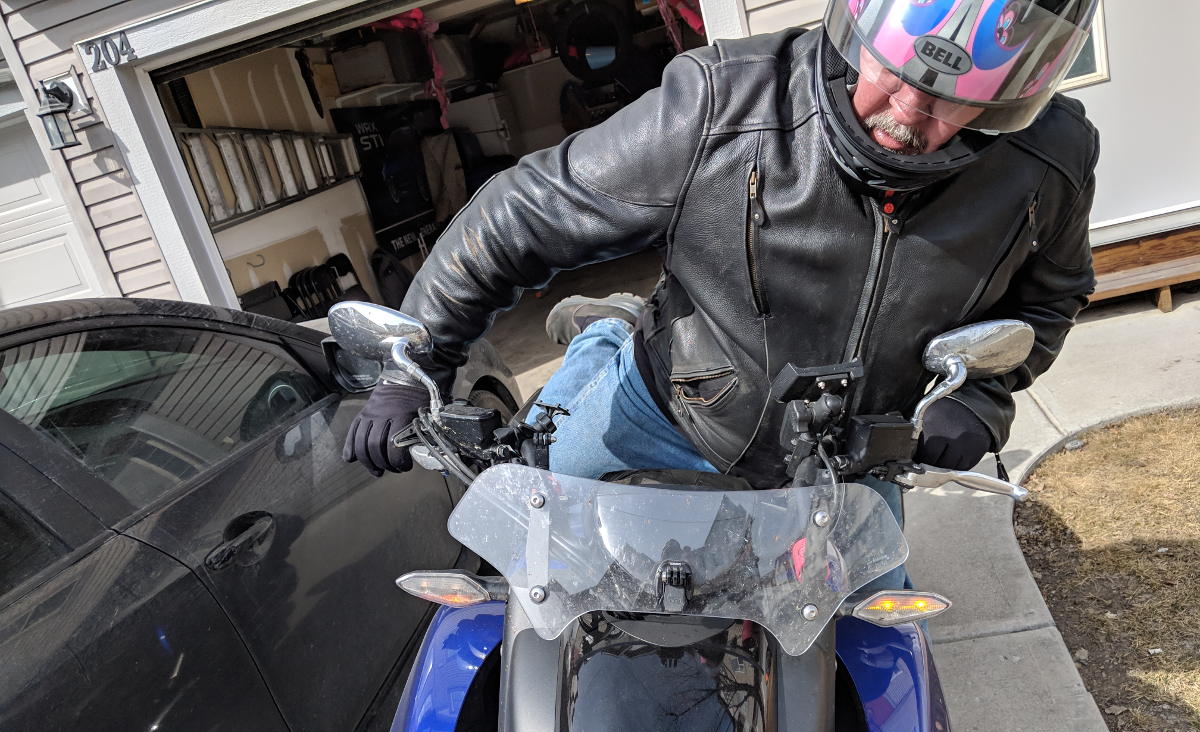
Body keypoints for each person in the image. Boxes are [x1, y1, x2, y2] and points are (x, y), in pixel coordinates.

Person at [343, 0, 1101, 501]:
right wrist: (414, 368)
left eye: (952, 97)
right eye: (892, 75)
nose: (907, 113)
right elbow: (522, 213)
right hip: (667, 407)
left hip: (848, 464)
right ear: (860, 31)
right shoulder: (723, 104)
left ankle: (605, 326)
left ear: (1013, 91)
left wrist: (978, 399)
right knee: (541, 544)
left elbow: (1048, 300)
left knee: (877, 648)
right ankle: (608, 333)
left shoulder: (1050, 162)